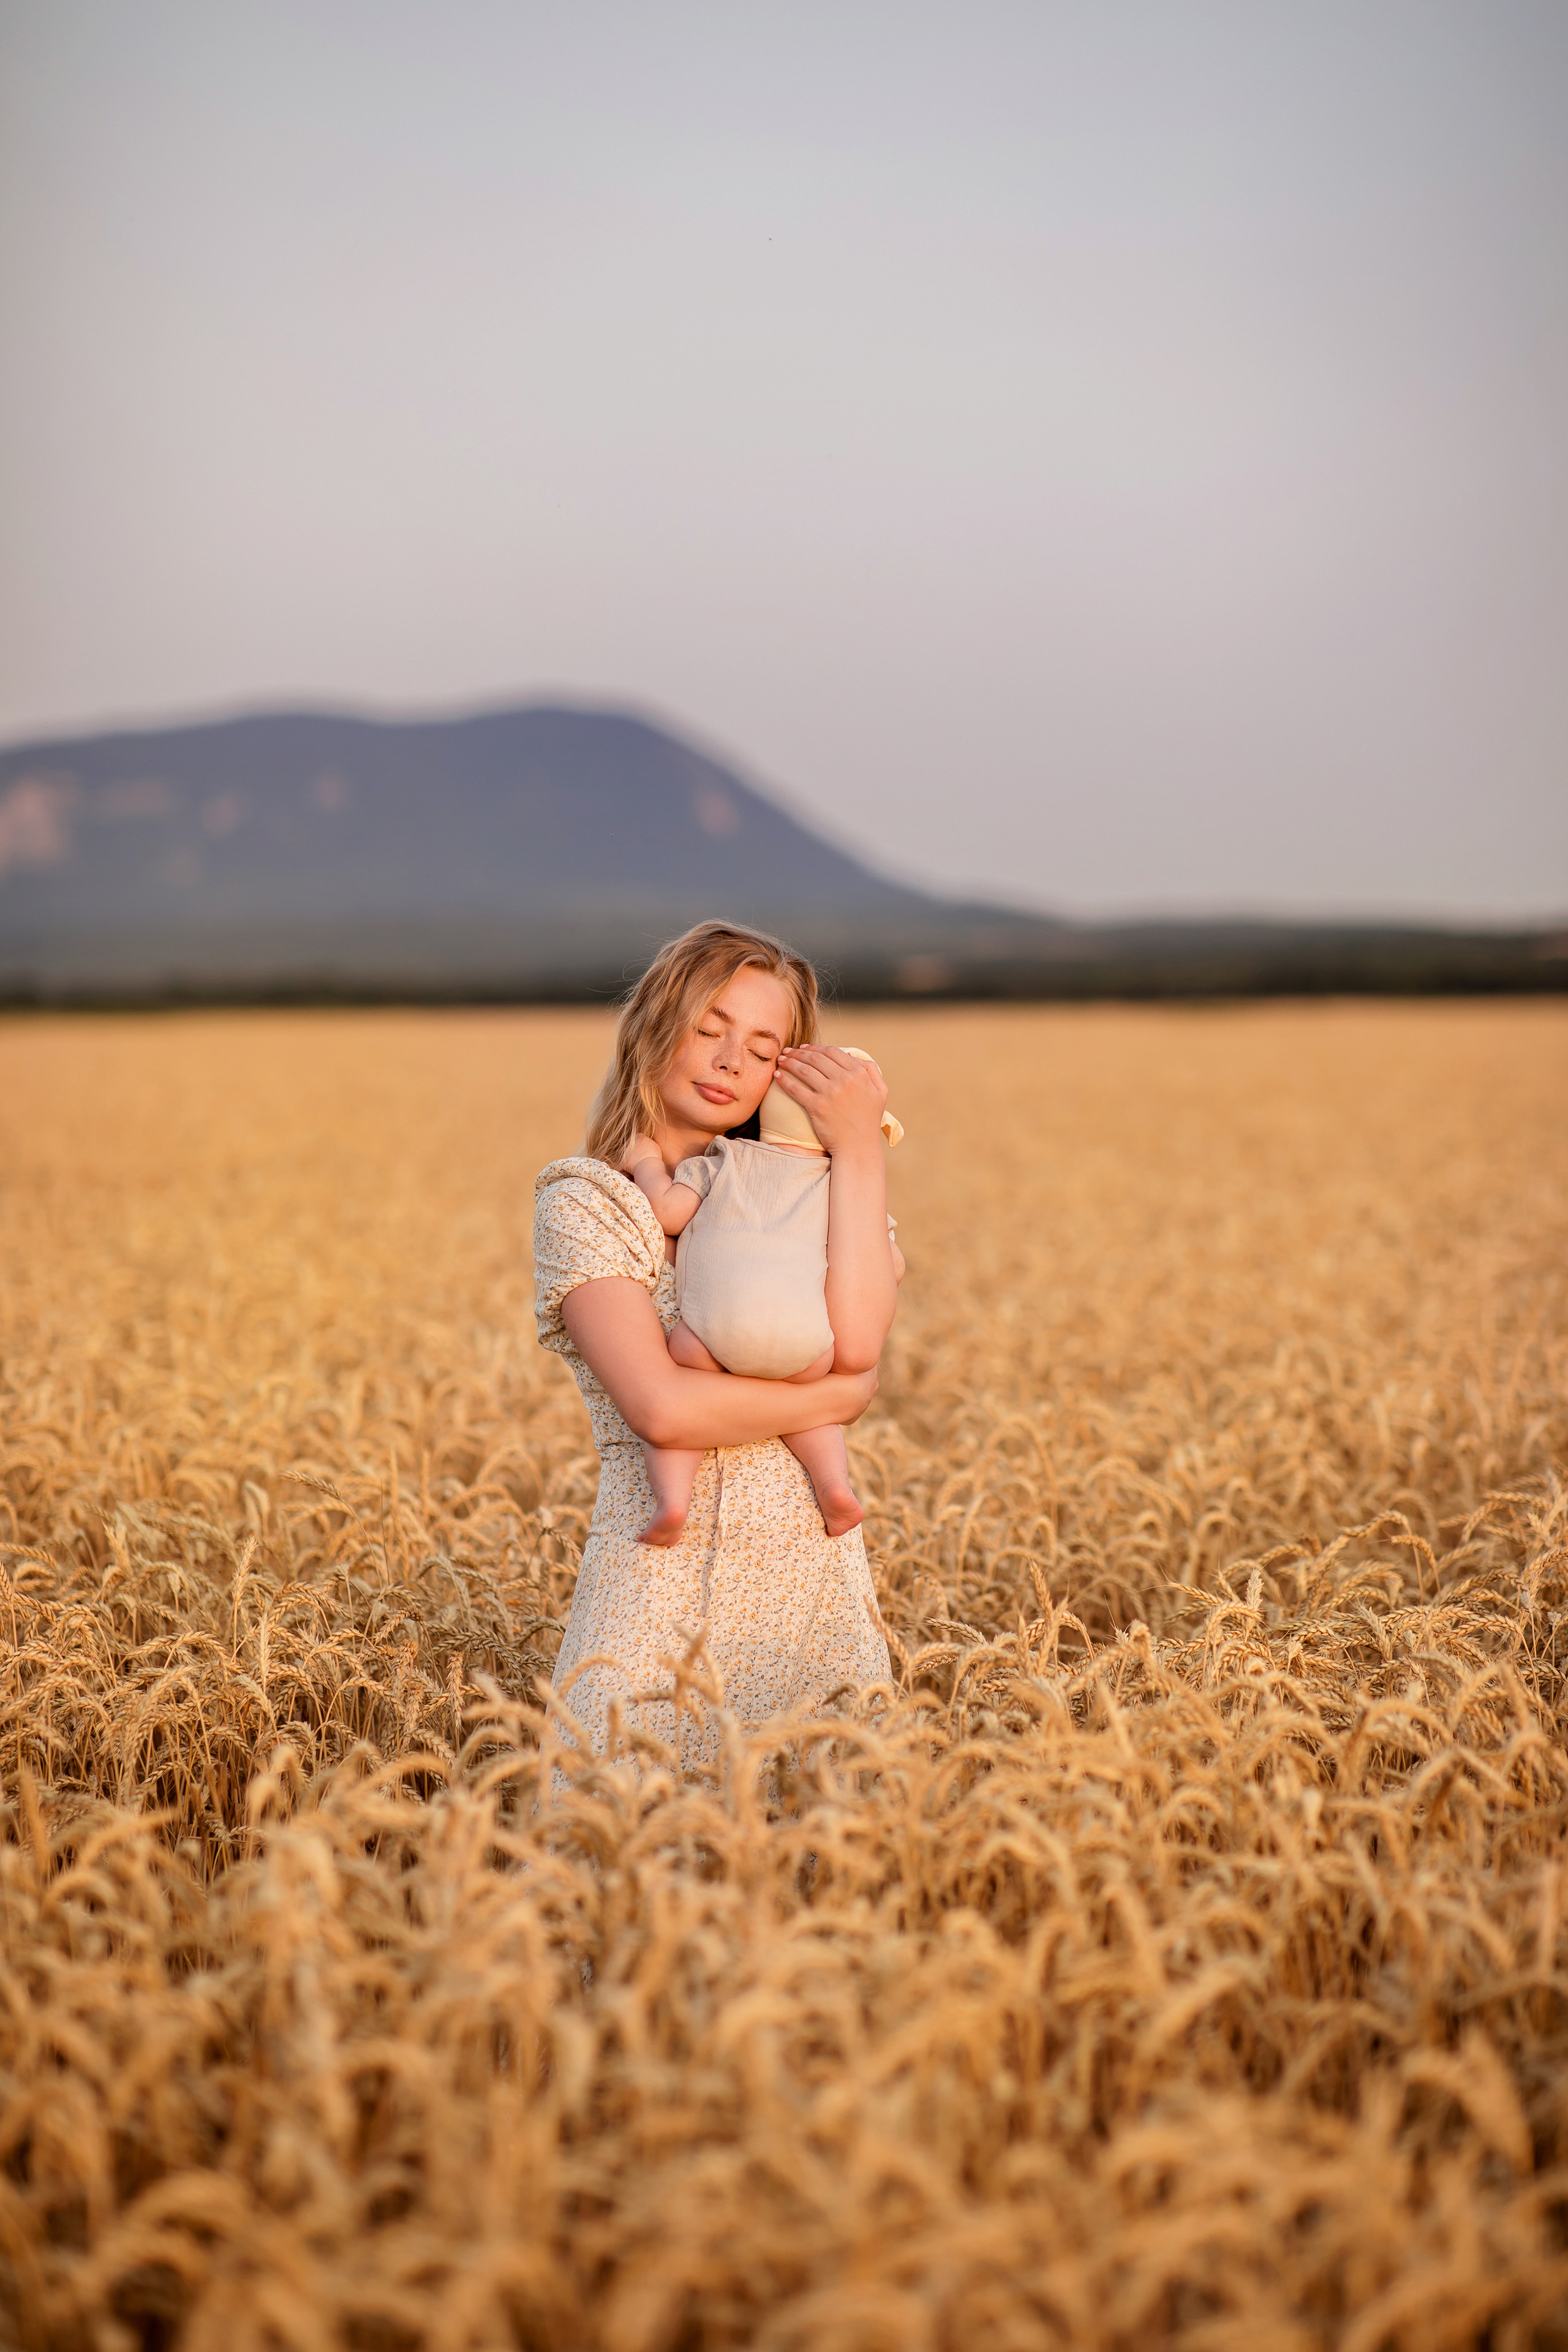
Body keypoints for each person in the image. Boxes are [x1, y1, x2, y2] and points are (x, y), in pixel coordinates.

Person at [532, 919, 897, 1762]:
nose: (733, 1061)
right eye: (709, 1029)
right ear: (655, 1028)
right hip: (654, 1621)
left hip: (815, 1618)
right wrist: (834, 1402)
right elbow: (663, 1408)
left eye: (766, 1049)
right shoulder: (591, 1200)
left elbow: (858, 1340)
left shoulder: (818, 1195)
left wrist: (857, 1152)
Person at [625, 1046, 903, 1546]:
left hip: (709, 1336)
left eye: (759, 1053)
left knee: (686, 1366)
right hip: (810, 1354)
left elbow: (668, 1213)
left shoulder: (727, 1157)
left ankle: (672, 1501)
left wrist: (646, 1164)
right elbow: (889, 1267)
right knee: (809, 1411)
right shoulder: (843, 1191)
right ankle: (835, 1486)